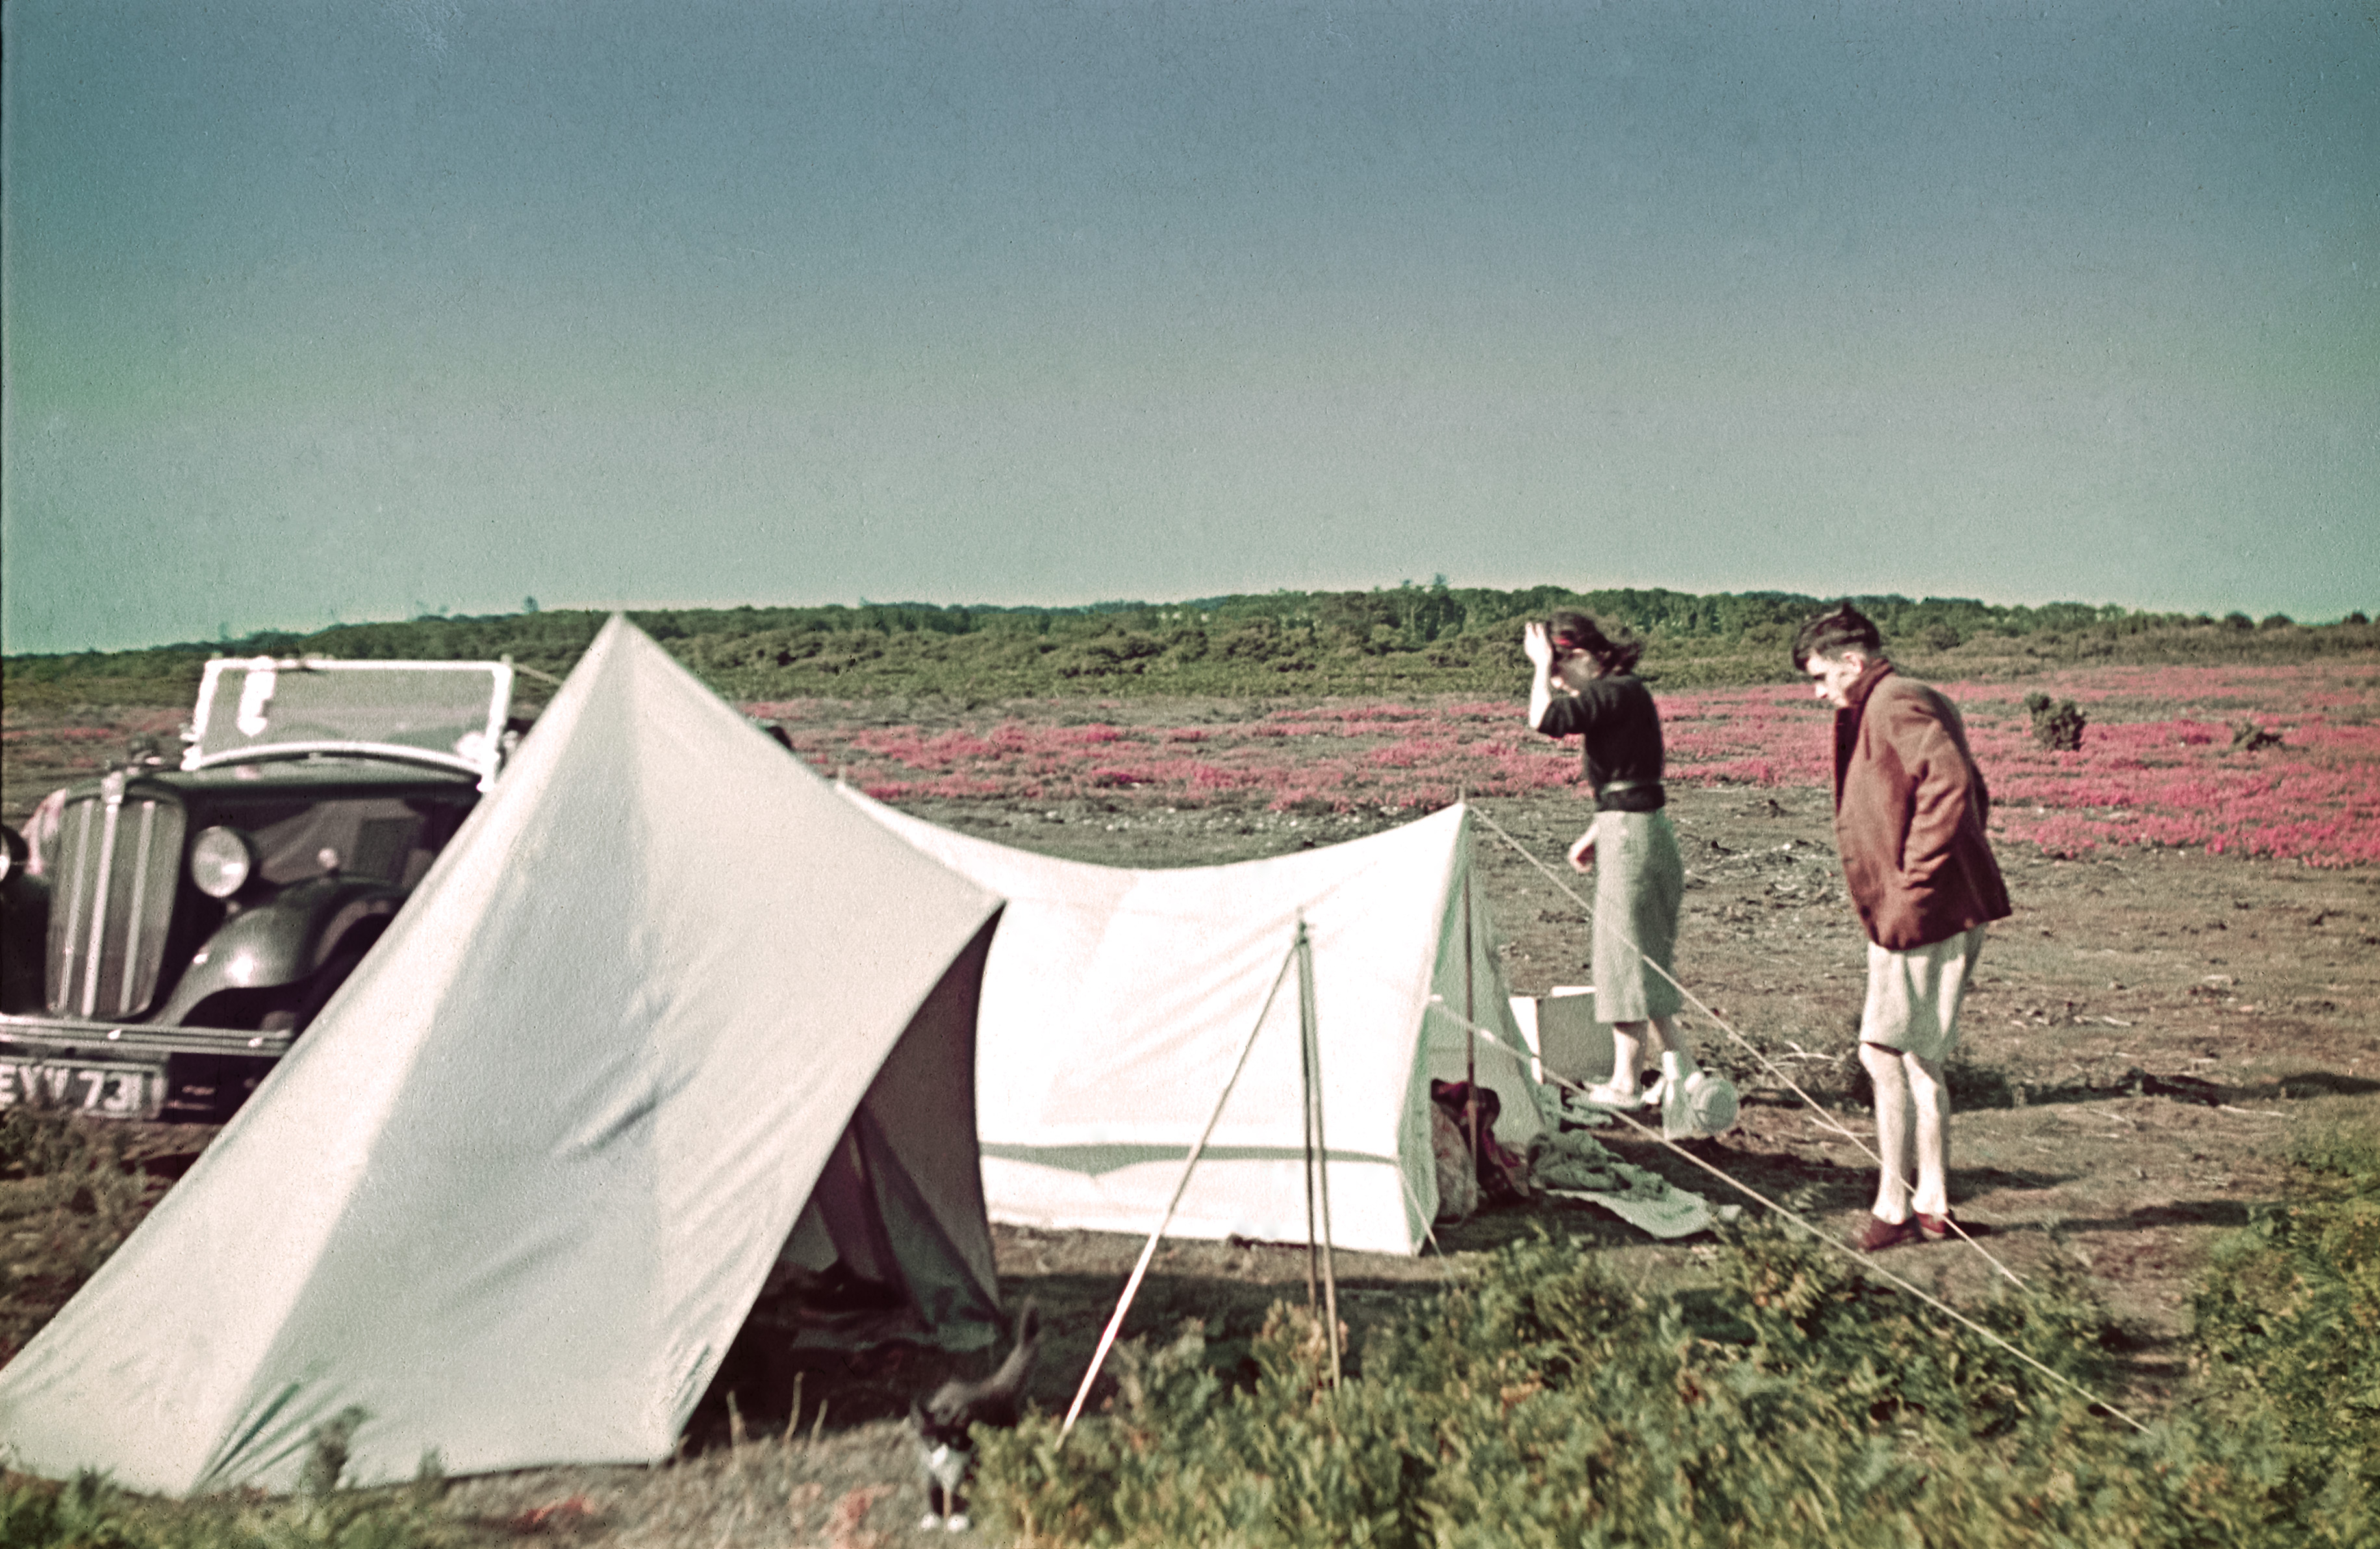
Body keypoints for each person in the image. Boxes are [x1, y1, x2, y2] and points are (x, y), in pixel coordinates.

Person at [1793, 603, 2012, 1250]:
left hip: (1920, 911)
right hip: (1916, 908)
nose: (1818, 692)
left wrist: (1914, 883)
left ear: (1852, 664)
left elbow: (1951, 784)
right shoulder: (1894, 700)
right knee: (1915, 1057)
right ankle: (1933, 1204)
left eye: (1821, 677)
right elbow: (1973, 789)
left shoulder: (1896, 701)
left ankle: (1894, 1206)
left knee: (1881, 1053)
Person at [1522, 610, 1702, 1129]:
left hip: (1633, 833)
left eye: (1561, 670)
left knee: (1622, 958)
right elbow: (1630, 776)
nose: (1560, 683)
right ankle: (1683, 1070)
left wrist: (1540, 668)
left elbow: (1546, 720)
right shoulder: (1626, 695)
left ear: (1583, 656)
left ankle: (1626, 1083)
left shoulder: (1616, 691)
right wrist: (1596, 833)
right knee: (1637, 958)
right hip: (1630, 826)